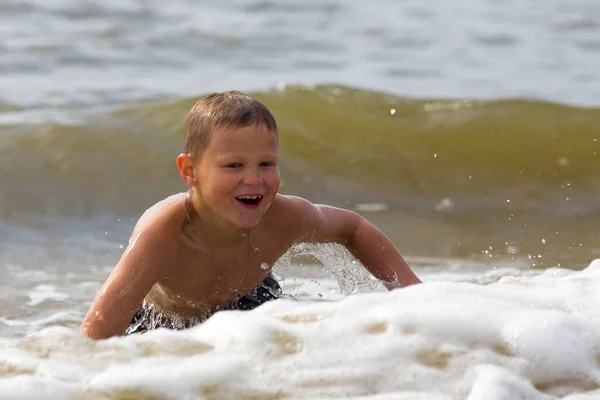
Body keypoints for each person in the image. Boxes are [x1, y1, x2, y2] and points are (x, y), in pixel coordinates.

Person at [80, 91, 422, 340]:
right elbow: (96, 332)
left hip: (253, 300)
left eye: (266, 164)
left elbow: (354, 229)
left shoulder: (285, 217)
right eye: (234, 166)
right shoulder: (164, 234)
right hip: (160, 324)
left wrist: (414, 297)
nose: (254, 179)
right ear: (190, 171)